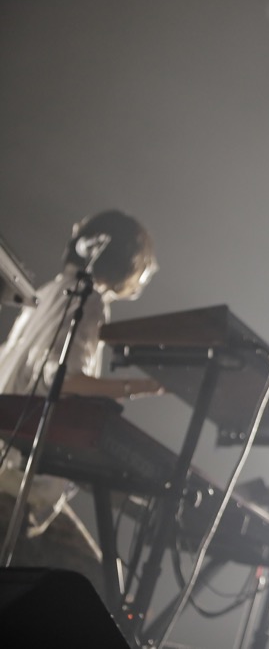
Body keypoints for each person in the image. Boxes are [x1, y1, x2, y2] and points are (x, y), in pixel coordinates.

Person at [0, 210, 161, 589]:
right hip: (16, 487)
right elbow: (64, 378)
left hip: (10, 471)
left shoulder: (48, 292)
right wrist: (145, 386)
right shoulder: (90, 302)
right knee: (99, 587)